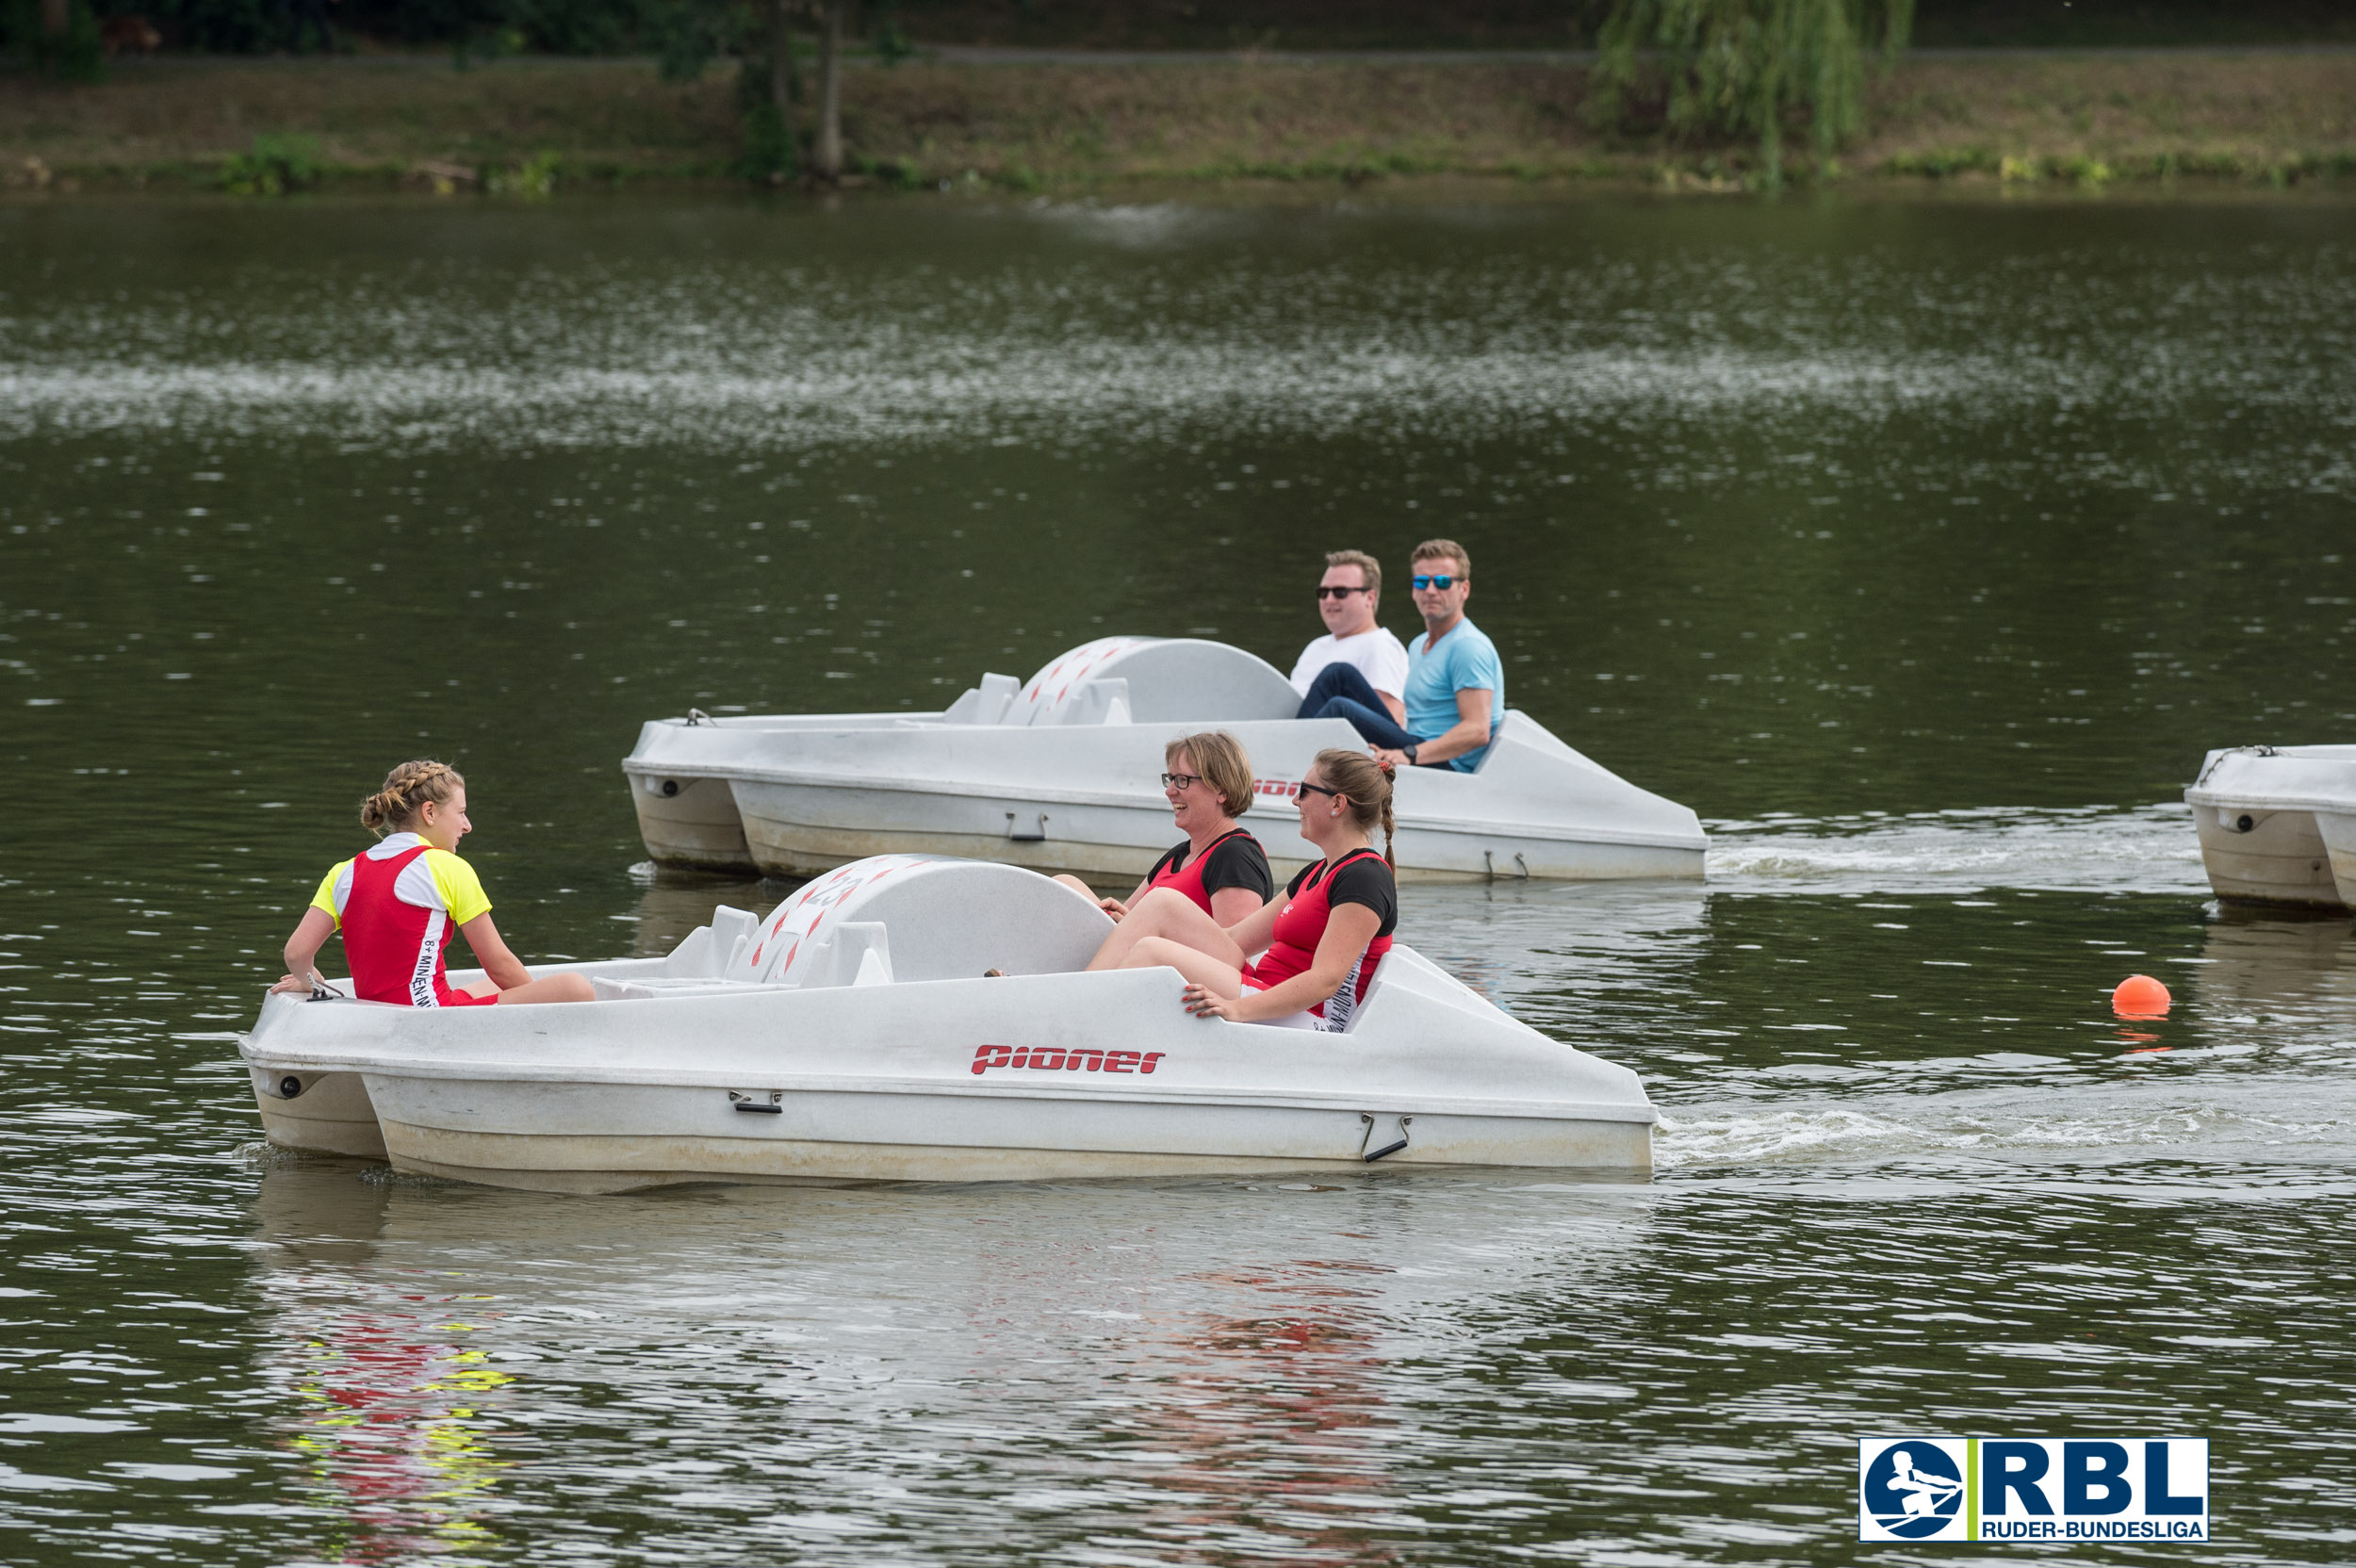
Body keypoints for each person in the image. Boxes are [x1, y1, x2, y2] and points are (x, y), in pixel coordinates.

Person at [1087, 749, 1397, 1031]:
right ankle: (1075, 1001)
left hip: (1315, 1022)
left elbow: (1325, 980)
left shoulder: (1364, 876)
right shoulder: (1315, 872)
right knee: (1162, 903)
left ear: (1337, 804)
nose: (1295, 802)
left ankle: (1081, 1023)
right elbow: (1233, 940)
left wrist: (1238, 1009)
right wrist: (1136, 921)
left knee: (1151, 951)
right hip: (1263, 990)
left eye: (1303, 792)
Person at [271, 760, 595, 1006]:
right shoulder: (448, 868)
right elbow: (500, 964)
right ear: (429, 812)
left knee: (493, 987)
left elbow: (297, 953)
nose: (467, 826)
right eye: (461, 812)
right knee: (575, 988)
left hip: (375, 1015)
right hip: (433, 1015)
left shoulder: (344, 871)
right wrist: (536, 1007)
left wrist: (310, 982)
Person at [1301, 538, 1503, 774]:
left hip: (1449, 766)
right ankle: (1283, 752)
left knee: (1340, 708)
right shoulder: (1419, 644)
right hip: (1416, 743)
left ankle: (1284, 765)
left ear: (1464, 590)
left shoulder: (1468, 646)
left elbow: (1477, 730)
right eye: (1421, 582)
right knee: (1339, 674)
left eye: (1442, 582)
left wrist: (1410, 754)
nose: (1430, 591)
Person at [1058, 732, 1273, 931]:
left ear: (1221, 790)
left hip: (1167, 969)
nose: (1170, 791)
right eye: (1170, 779)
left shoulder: (1237, 856)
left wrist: (1144, 934)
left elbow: (1232, 957)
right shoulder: (1179, 854)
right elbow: (1125, 921)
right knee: (1065, 885)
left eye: (1183, 781)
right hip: (1138, 960)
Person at [1290, 548, 1409, 727]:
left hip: (1331, 749)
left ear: (1369, 597)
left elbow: (1390, 725)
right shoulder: (1315, 647)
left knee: (1337, 675)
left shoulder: (1380, 645)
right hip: (1289, 736)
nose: (1329, 600)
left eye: (1340, 592)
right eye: (1323, 592)